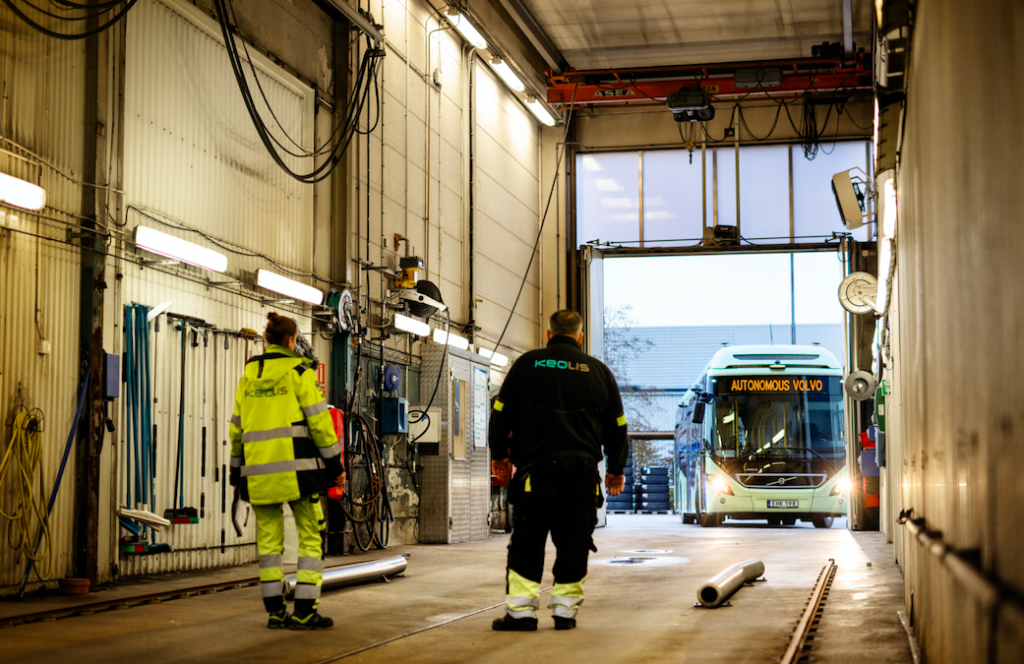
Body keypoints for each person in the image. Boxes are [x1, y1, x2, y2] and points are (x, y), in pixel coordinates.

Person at [489, 309, 629, 632]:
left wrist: (500, 455)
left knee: (527, 541)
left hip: (536, 473)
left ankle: (521, 615)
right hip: (582, 475)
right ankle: (565, 613)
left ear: (549, 335)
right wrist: (616, 470)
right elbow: (618, 425)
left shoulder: (527, 364)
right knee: (574, 542)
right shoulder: (600, 372)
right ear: (580, 337)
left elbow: (499, 412)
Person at [229, 313, 344, 630]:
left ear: (268, 340)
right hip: (299, 474)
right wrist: (335, 466)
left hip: (258, 474)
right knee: (311, 538)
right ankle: (305, 610)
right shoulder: (300, 373)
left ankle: (275, 612)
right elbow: (320, 425)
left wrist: (236, 473)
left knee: (268, 545)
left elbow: (236, 429)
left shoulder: (248, 376)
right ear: (292, 341)